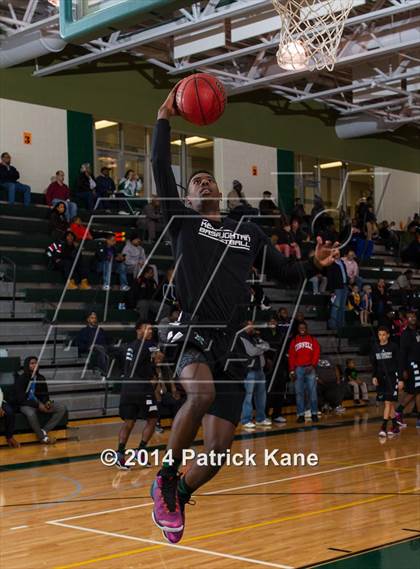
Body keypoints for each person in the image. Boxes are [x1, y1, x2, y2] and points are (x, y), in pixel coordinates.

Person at [148, 88, 338, 543]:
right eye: (194, 183)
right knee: (200, 393)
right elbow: (159, 171)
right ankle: (166, 476)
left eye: (206, 179)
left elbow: (286, 274)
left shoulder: (247, 231)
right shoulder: (184, 224)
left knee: (217, 452)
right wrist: (162, 120)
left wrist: (315, 264)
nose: (202, 183)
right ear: (187, 200)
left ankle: (180, 494)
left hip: (232, 341)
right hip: (195, 327)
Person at [115, 322, 160, 469]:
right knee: (153, 419)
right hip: (141, 387)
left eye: (152, 329)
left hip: (127, 387)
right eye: (147, 328)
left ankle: (120, 454)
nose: (151, 331)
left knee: (129, 422)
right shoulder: (149, 345)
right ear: (138, 330)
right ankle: (140, 451)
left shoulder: (127, 347)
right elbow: (159, 358)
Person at [14, 356, 67, 444]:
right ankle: (43, 438)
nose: (35, 365)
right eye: (32, 363)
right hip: (25, 404)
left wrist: (47, 402)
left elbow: (45, 395)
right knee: (31, 414)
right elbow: (20, 399)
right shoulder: (21, 379)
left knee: (61, 408)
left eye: (36, 363)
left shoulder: (41, 378)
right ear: (27, 365)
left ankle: (44, 431)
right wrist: (37, 405)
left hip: (40, 403)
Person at [371, 326, 403, 437]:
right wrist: (374, 376)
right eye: (380, 335)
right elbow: (374, 364)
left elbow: (399, 364)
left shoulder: (394, 347)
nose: (382, 337)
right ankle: (395, 426)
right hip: (381, 379)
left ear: (388, 335)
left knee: (388, 403)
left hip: (392, 378)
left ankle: (383, 427)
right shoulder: (375, 347)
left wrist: (401, 380)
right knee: (389, 404)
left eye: (384, 334)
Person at [240, 321, 272, 429]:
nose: (253, 327)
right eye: (250, 325)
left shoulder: (255, 337)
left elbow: (267, 346)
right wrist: (261, 348)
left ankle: (260, 418)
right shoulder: (241, 337)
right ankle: (245, 420)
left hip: (260, 370)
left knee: (261, 396)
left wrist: (260, 347)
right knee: (248, 397)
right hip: (250, 371)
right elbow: (252, 351)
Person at [288, 321, 321, 423]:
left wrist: (313, 365)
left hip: (310, 368)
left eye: (304, 327)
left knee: (312, 392)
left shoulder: (312, 339)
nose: (302, 329)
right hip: (298, 369)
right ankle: (301, 415)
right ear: (298, 329)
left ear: (307, 328)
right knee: (299, 393)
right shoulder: (294, 340)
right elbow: (292, 356)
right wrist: (292, 371)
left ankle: (314, 413)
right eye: (300, 327)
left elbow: (316, 352)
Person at [395, 311, 420, 428]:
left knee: (414, 391)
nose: (412, 318)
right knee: (416, 391)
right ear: (406, 320)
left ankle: (398, 412)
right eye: (409, 317)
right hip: (412, 365)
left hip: (418, 364)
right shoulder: (405, 334)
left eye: (413, 316)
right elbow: (402, 354)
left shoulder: (417, 331)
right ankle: (399, 412)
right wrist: (403, 370)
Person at [262, 316, 288, 424]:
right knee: (268, 391)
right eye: (270, 321)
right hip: (268, 366)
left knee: (280, 391)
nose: (273, 322)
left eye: (274, 321)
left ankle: (277, 414)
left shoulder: (281, 333)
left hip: (280, 365)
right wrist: (266, 359)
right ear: (267, 323)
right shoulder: (263, 334)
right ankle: (264, 414)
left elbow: (284, 349)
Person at [75, 312, 110, 376]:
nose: (94, 320)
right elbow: (80, 344)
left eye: (95, 318)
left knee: (122, 349)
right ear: (88, 320)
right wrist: (88, 347)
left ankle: (125, 373)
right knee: (101, 352)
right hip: (93, 350)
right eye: (92, 318)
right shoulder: (83, 331)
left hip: (104, 347)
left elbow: (108, 340)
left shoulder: (101, 330)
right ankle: (104, 373)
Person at [327, 257, 348, 330]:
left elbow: (344, 274)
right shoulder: (331, 263)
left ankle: (341, 325)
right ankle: (333, 325)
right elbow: (330, 277)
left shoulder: (342, 262)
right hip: (336, 287)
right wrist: (332, 290)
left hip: (344, 286)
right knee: (336, 306)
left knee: (342, 307)